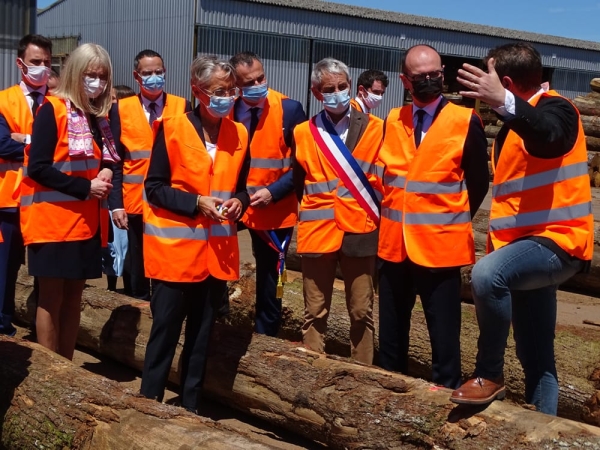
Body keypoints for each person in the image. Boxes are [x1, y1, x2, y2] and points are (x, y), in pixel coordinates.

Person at [450, 42, 593, 415]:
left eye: (490, 77)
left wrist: (505, 102)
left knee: (485, 275)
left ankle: (489, 374)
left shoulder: (559, 109)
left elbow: (549, 137)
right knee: (536, 354)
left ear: (508, 82)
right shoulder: (512, 127)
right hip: (524, 249)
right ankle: (543, 431)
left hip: (557, 243)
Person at [140, 55, 250, 413]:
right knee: (165, 333)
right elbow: (154, 188)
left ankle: (190, 407)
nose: (227, 97)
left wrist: (240, 203)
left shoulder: (240, 133)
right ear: (197, 91)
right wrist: (196, 202)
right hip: (175, 254)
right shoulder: (171, 128)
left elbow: (244, 188)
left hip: (216, 255)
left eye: (231, 91)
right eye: (219, 91)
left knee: (201, 338)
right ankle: (148, 403)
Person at [376, 44, 489, 389]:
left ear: (442, 74)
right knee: (391, 335)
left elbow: (478, 183)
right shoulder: (394, 120)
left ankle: (444, 399)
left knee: (444, 337)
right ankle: (388, 393)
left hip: (440, 251)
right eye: (420, 77)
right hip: (395, 248)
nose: (429, 81)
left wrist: (448, 221)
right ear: (405, 81)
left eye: (435, 75)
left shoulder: (465, 120)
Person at [20, 43, 118, 359]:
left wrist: (106, 169)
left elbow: (111, 155)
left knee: (75, 298)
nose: (97, 83)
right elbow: (37, 168)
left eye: (102, 77)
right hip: (52, 223)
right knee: (51, 298)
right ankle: (52, 369)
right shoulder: (52, 109)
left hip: (86, 223)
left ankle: (68, 364)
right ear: (76, 73)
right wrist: (84, 188)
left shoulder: (96, 116)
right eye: (91, 75)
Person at [293, 58, 383, 365]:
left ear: (351, 86)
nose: (337, 93)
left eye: (342, 86)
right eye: (329, 89)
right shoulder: (303, 132)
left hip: (360, 229)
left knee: (362, 312)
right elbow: (297, 182)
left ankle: (363, 377)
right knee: (314, 311)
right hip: (318, 231)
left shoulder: (377, 129)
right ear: (317, 92)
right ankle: (311, 373)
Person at [229, 51, 306, 336]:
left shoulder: (290, 109)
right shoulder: (229, 109)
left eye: (261, 77)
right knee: (218, 264)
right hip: (235, 205)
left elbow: (302, 165)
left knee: (271, 281)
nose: (258, 84)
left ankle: (267, 334)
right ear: (237, 85)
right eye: (249, 81)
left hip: (274, 211)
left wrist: (273, 192)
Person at [109, 49, 190, 300]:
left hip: (170, 200)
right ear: (136, 76)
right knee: (138, 262)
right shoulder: (120, 109)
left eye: (159, 72)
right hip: (134, 203)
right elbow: (115, 162)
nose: (154, 77)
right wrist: (116, 206)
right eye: (147, 73)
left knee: (169, 258)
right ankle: (140, 306)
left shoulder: (182, 105)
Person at [0, 34, 52, 336]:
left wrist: (25, 139)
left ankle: (42, 329)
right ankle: (3, 325)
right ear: (21, 63)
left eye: (47, 62)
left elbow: (64, 147)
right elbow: (2, 146)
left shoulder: (59, 104)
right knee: (5, 269)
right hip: (9, 200)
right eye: (36, 62)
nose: (42, 68)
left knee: (46, 272)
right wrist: (39, 145)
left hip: (47, 201)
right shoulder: (4, 100)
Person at [102, 85, 136, 292]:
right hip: (113, 197)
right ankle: (112, 288)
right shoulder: (105, 124)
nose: (110, 104)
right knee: (113, 246)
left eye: (114, 100)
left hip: (130, 197)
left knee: (127, 246)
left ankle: (131, 287)